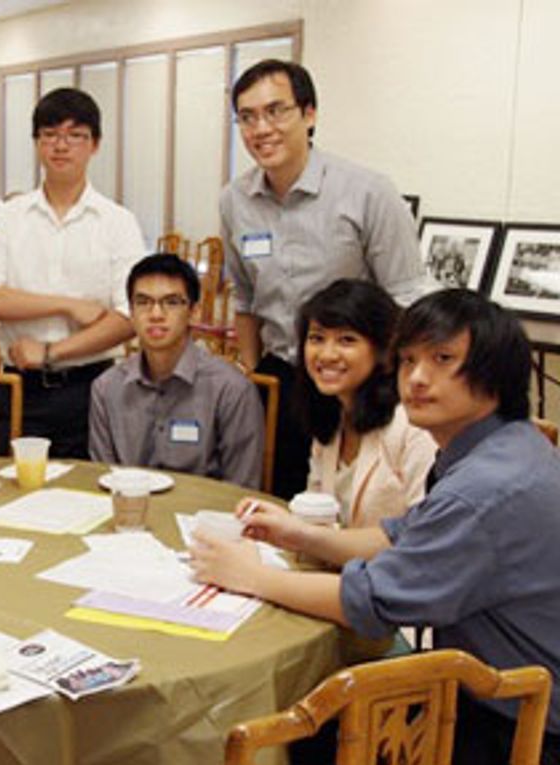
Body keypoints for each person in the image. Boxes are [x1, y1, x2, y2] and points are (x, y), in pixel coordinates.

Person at [190, 289, 560, 765]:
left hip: (520, 721)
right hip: (492, 683)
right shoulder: (503, 446)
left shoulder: (484, 489)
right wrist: (301, 535)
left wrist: (251, 576)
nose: (417, 378)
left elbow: (370, 601)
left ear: (496, 373)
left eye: (443, 359)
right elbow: (402, 535)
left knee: (297, 733)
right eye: (408, 361)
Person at [220, 59, 434, 498]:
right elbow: (245, 299)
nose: (262, 128)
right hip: (283, 380)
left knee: (353, 502)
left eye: (276, 111)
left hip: (358, 383)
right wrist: (254, 374)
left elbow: (406, 297)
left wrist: (384, 379)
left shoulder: (368, 191)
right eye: (248, 117)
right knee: (281, 499)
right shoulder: (234, 201)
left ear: (309, 113)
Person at [0, 87, 146, 458]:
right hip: (18, 387)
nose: (61, 146)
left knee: (89, 490)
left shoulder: (118, 222)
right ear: (36, 143)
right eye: (50, 134)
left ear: (95, 144)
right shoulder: (7, 218)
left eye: (75, 135)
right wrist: (67, 305)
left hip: (93, 387)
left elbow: (130, 314)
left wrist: (50, 352)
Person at [88, 254, 264, 487]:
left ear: (194, 312)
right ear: (131, 312)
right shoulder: (106, 388)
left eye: (171, 302)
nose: (156, 314)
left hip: (206, 509)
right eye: (143, 302)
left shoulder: (231, 390)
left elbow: (242, 488)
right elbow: (104, 479)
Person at [295, 279, 437, 527]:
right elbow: (314, 514)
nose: (327, 354)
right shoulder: (331, 413)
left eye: (346, 340)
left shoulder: (412, 426)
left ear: (384, 350)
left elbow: (426, 532)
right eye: (317, 338)